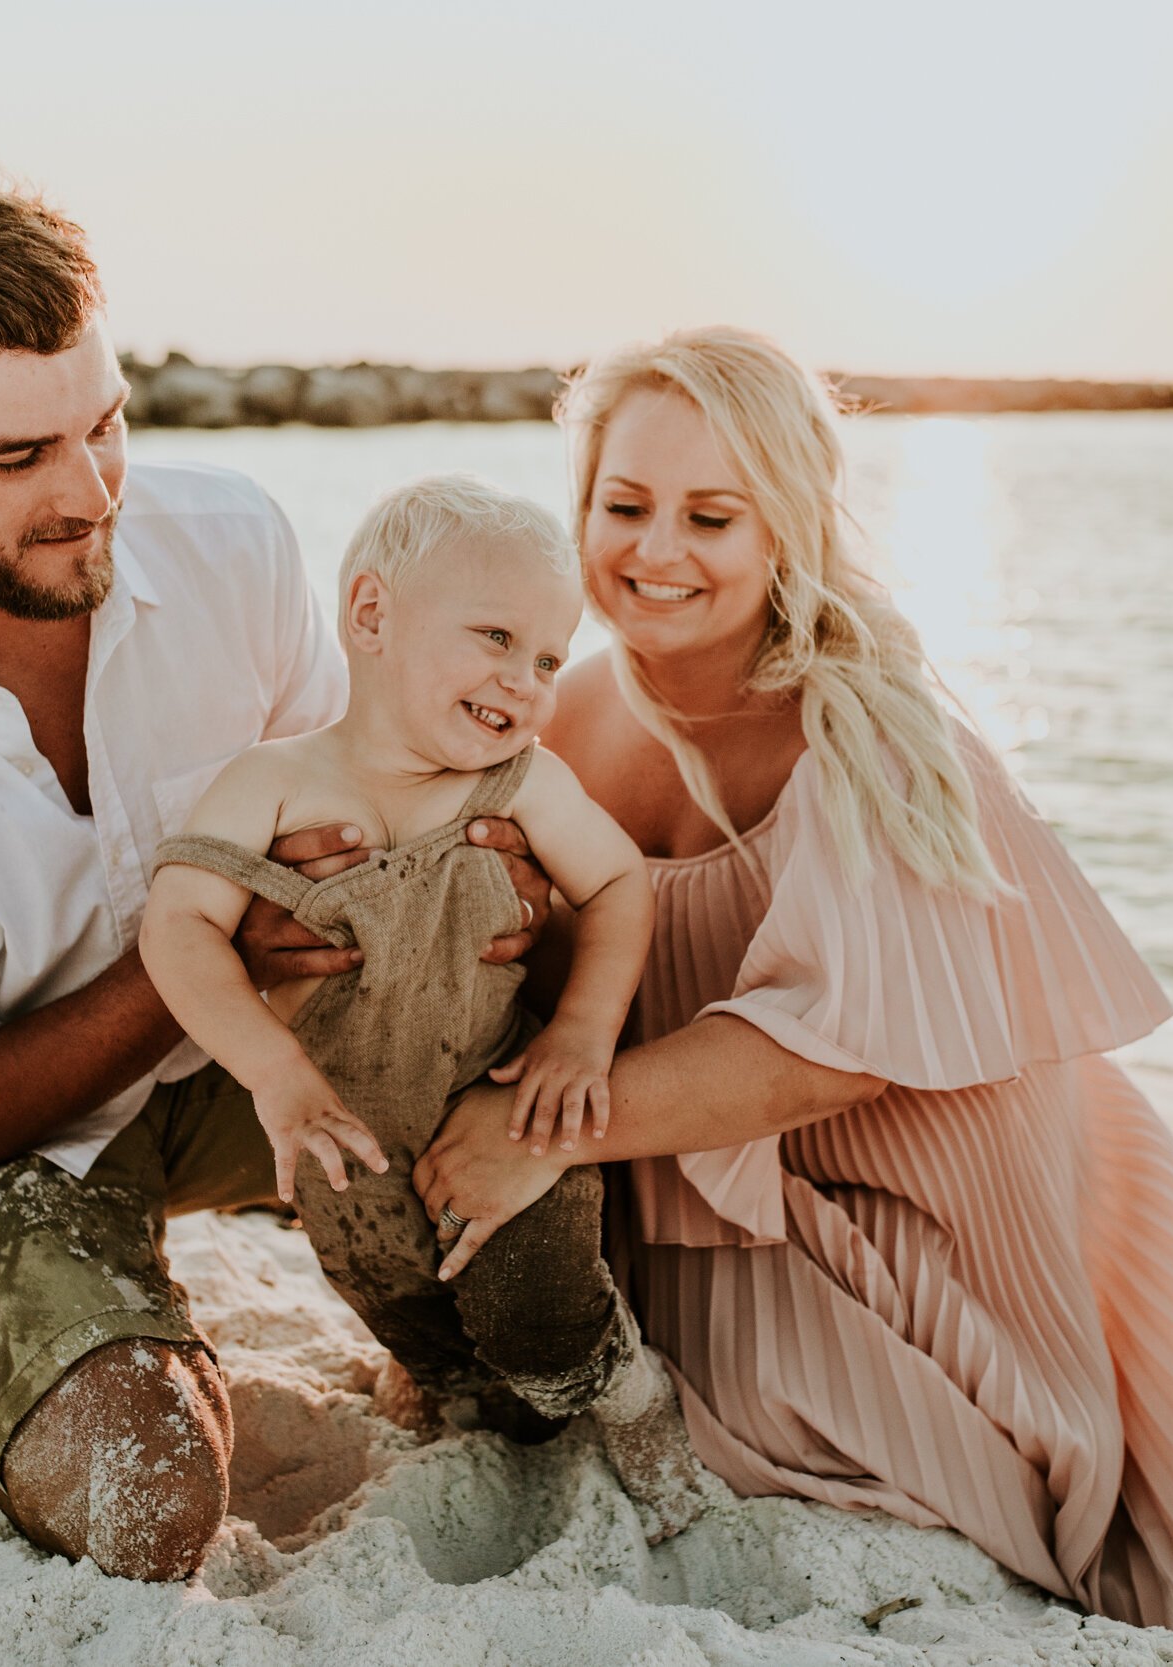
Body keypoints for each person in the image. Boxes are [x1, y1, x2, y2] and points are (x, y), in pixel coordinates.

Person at [412, 326, 1173, 1667]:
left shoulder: (867, 726)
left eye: (710, 514)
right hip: (723, 1208)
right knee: (779, 1430)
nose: (656, 548)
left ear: (783, 523)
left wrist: (531, 1130)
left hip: (968, 1201)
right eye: (625, 504)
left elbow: (819, 1055)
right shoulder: (554, 707)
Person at [0, 159, 549, 1582]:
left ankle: (114, 1305)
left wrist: (479, 883)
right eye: (16, 456)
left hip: (247, 1063)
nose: (92, 490)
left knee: (548, 1316)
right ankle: (0, 1313)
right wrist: (198, 963)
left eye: (104, 424)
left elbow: (353, 823)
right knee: (148, 1495)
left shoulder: (231, 540)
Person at [138, 473, 704, 1533]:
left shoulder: (518, 784)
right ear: (369, 615)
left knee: (538, 1307)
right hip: (348, 1145)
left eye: (545, 657)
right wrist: (274, 1068)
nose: (525, 680)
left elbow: (621, 881)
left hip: (502, 1105)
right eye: (493, 636)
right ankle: (454, 1392)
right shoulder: (271, 781)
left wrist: (580, 1030)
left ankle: (630, 1400)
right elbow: (178, 925)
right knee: (402, 1307)